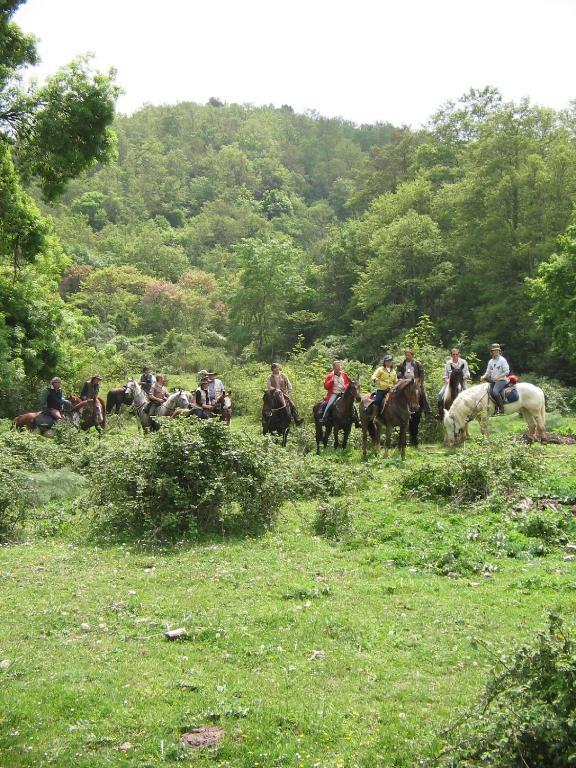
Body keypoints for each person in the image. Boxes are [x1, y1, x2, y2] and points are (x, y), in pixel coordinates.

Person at [397, 348, 431, 447]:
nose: (407, 356)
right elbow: (398, 375)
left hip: (415, 384)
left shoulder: (417, 364)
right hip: (405, 385)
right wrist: (404, 381)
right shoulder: (401, 365)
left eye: (409, 355)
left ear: (412, 355)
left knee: (422, 393)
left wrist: (418, 381)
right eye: (406, 355)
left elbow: (422, 375)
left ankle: (427, 409)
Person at [321, 360, 360, 427]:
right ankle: (324, 418)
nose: (339, 368)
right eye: (337, 366)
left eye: (340, 366)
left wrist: (347, 386)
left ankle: (357, 420)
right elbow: (325, 386)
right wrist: (332, 381)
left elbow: (348, 384)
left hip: (343, 393)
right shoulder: (330, 375)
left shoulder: (344, 374)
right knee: (330, 403)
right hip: (334, 393)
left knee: (352, 404)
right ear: (334, 367)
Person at [480, 343, 510, 414]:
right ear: (492, 352)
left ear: (499, 351)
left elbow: (507, 371)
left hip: (502, 380)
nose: (496, 352)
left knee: (495, 392)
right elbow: (488, 372)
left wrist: (498, 377)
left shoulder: (502, 360)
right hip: (493, 381)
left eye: (497, 350)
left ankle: (502, 409)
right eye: (494, 350)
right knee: (486, 391)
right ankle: (493, 408)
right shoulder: (490, 361)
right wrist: (483, 376)